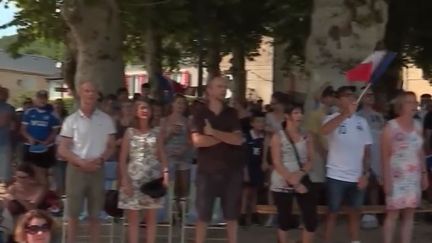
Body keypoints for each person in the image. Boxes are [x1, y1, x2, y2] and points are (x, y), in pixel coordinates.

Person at [58, 81, 116, 243]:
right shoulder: (71, 121)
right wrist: (81, 162)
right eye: (87, 91)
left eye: (93, 91)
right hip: (76, 170)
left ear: (97, 95)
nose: (90, 94)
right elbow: (62, 149)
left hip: (97, 169)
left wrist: (101, 159)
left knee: (95, 215)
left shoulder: (106, 120)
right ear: (80, 94)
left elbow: (111, 146)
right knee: (73, 215)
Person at [191, 77, 244, 243]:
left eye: (225, 87)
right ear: (209, 90)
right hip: (207, 171)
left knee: (231, 215)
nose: (223, 89)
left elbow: (238, 139)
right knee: (203, 215)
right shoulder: (199, 113)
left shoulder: (232, 113)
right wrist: (225, 137)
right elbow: (198, 141)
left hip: (231, 170)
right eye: (219, 86)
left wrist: (213, 133)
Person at [321, 86, 372, 243]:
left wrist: (366, 174)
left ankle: (355, 241)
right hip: (336, 175)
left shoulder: (362, 122)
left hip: (356, 176)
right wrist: (345, 115)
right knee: (333, 212)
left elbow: (367, 150)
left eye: (353, 95)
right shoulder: (331, 118)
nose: (352, 98)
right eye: (347, 95)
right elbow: (324, 131)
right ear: (338, 100)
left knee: (355, 212)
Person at [118, 98, 168, 243]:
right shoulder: (129, 132)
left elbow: (162, 155)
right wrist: (125, 180)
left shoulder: (156, 132)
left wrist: (165, 175)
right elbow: (122, 159)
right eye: (141, 108)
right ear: (136, 111)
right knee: (133, 218)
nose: (145, 111)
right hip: (133, 177)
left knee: (151, 217)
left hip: (151, 178)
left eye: (147, 108)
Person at [382, 91, 429, 243]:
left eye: (414, 102)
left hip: (413, 177)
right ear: (401, 105)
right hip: (396, 177)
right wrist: (387, 180)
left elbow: (420, 151)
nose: (413, 105)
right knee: (393, 215)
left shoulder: (418, 126)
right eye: (409, 102)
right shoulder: (390, 127)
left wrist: (424, 174)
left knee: (409, 215)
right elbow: (384, 156)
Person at [270, 102, 317, 243]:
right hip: (282, 178)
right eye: (295, 113)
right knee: (284, 219)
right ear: (287, 116)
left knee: (311, 218)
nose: (299, 116)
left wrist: (301, 173)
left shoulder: (307, 136)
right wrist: (293, 180)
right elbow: (277, 162)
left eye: (300, 113)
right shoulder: (278, 137)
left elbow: (311, 160)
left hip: (301, 175)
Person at [159, 94, 192, 222]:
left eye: (183, 103)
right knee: (170, 186)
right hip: (169, 157)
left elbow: (191, 140)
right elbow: (161, 140)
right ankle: (171, 213)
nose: (180, 106)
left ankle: (182, 212)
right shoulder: (165, 120)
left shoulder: (188, 121)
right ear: (173, 104)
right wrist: (170, 132)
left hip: (184, 156)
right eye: (178, 103)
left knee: (183, 186)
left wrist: (184, 149)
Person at [357, 89, 386, 228]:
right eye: (367, 95)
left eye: (372, 95)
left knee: (374, 185)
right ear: (362, 98)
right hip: (362, 155)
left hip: (377, 155)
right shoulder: (357, 116)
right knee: (363, 185)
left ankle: (373, 213)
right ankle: (361, 214)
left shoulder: (379, 116)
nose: (371, 98)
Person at [303, 85, 336, 205]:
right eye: (331, 96)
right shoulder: (315, 114)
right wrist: (322, 152)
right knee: (317, 181)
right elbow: (313, 135)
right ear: (325, 98)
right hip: (318, 152)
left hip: (333, 152)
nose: (333, 99)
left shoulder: (335, 114)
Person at [21, 90, 60, 187]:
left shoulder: (53, 114)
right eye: (39, 98)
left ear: (47, 99)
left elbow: (55, 131)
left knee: (43, 173)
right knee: (29, 173)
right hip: (30, 147)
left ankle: (44, 197)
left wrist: (46, 142)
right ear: (35, 99)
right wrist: (30, 138)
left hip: (46, 147)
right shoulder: (29, 112)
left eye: (44, 98)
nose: (42, 100)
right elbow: (23, 129)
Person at [239, 112, 265, 226]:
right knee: (246, 191)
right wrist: (245, 171)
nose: (261, 124)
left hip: (257, 167)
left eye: (263, 122)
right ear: (252, 123)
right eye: (258, 122)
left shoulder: (263, 138)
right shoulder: (247, 136)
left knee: (254, 191)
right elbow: (243, 155)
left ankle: (254, 214)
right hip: (247, 166)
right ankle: (243, 214)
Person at [0, 87, 15, 184]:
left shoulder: (6, 107)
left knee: (5, 174)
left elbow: (2, 122)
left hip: (3, 143)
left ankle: (6, 196)